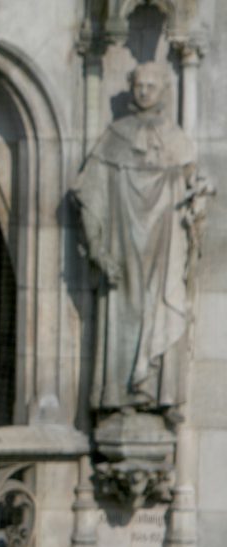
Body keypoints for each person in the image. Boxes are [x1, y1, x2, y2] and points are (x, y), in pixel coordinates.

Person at [74, 61, 212, 417]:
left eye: (152, 85)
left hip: (164, 248)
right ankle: (120, 394)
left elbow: (193, 185)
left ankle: (157, 391)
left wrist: (199, 198)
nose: (145, 91)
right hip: (123, 249)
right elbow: (88, 196)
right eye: (139, 85)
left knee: (163, 305)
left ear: (165, 89)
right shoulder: (115, 137)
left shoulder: (177, 141)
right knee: (125, 312)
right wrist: (98, 250)